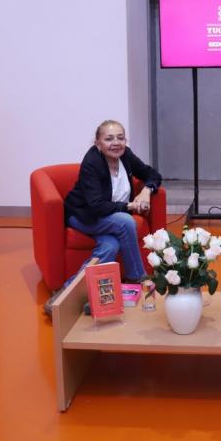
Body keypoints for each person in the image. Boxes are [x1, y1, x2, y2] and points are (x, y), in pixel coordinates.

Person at [44, 120, 162, 314]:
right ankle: (137, 277)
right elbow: (96, 206)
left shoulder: (126, 155)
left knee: (110, 246)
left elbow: (152, 174)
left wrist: (146, 191)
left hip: (108, 217)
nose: (116, 143)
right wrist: (129, 205)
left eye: (120, 138)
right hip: (84, 215)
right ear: (98, 143)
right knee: (126, 222)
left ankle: (65, 293)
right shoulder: (92, 163)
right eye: (109, 139)